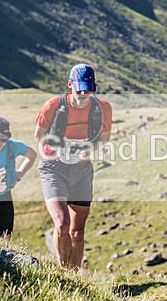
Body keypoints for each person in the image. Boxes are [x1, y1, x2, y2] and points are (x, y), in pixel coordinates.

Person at [35, 63, 112, 269]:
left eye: (88, 91)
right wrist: (52, 148)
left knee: (77, 232)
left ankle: (74, 276)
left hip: (81, 170)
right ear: (70, 85)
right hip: (53, 168)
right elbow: (39, 135)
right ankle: (63, 273)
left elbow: (103, 139)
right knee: (61, 224)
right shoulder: (53, 105)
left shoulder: (102, 108)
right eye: (79, 91)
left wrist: (87, 148)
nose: (83, 96)